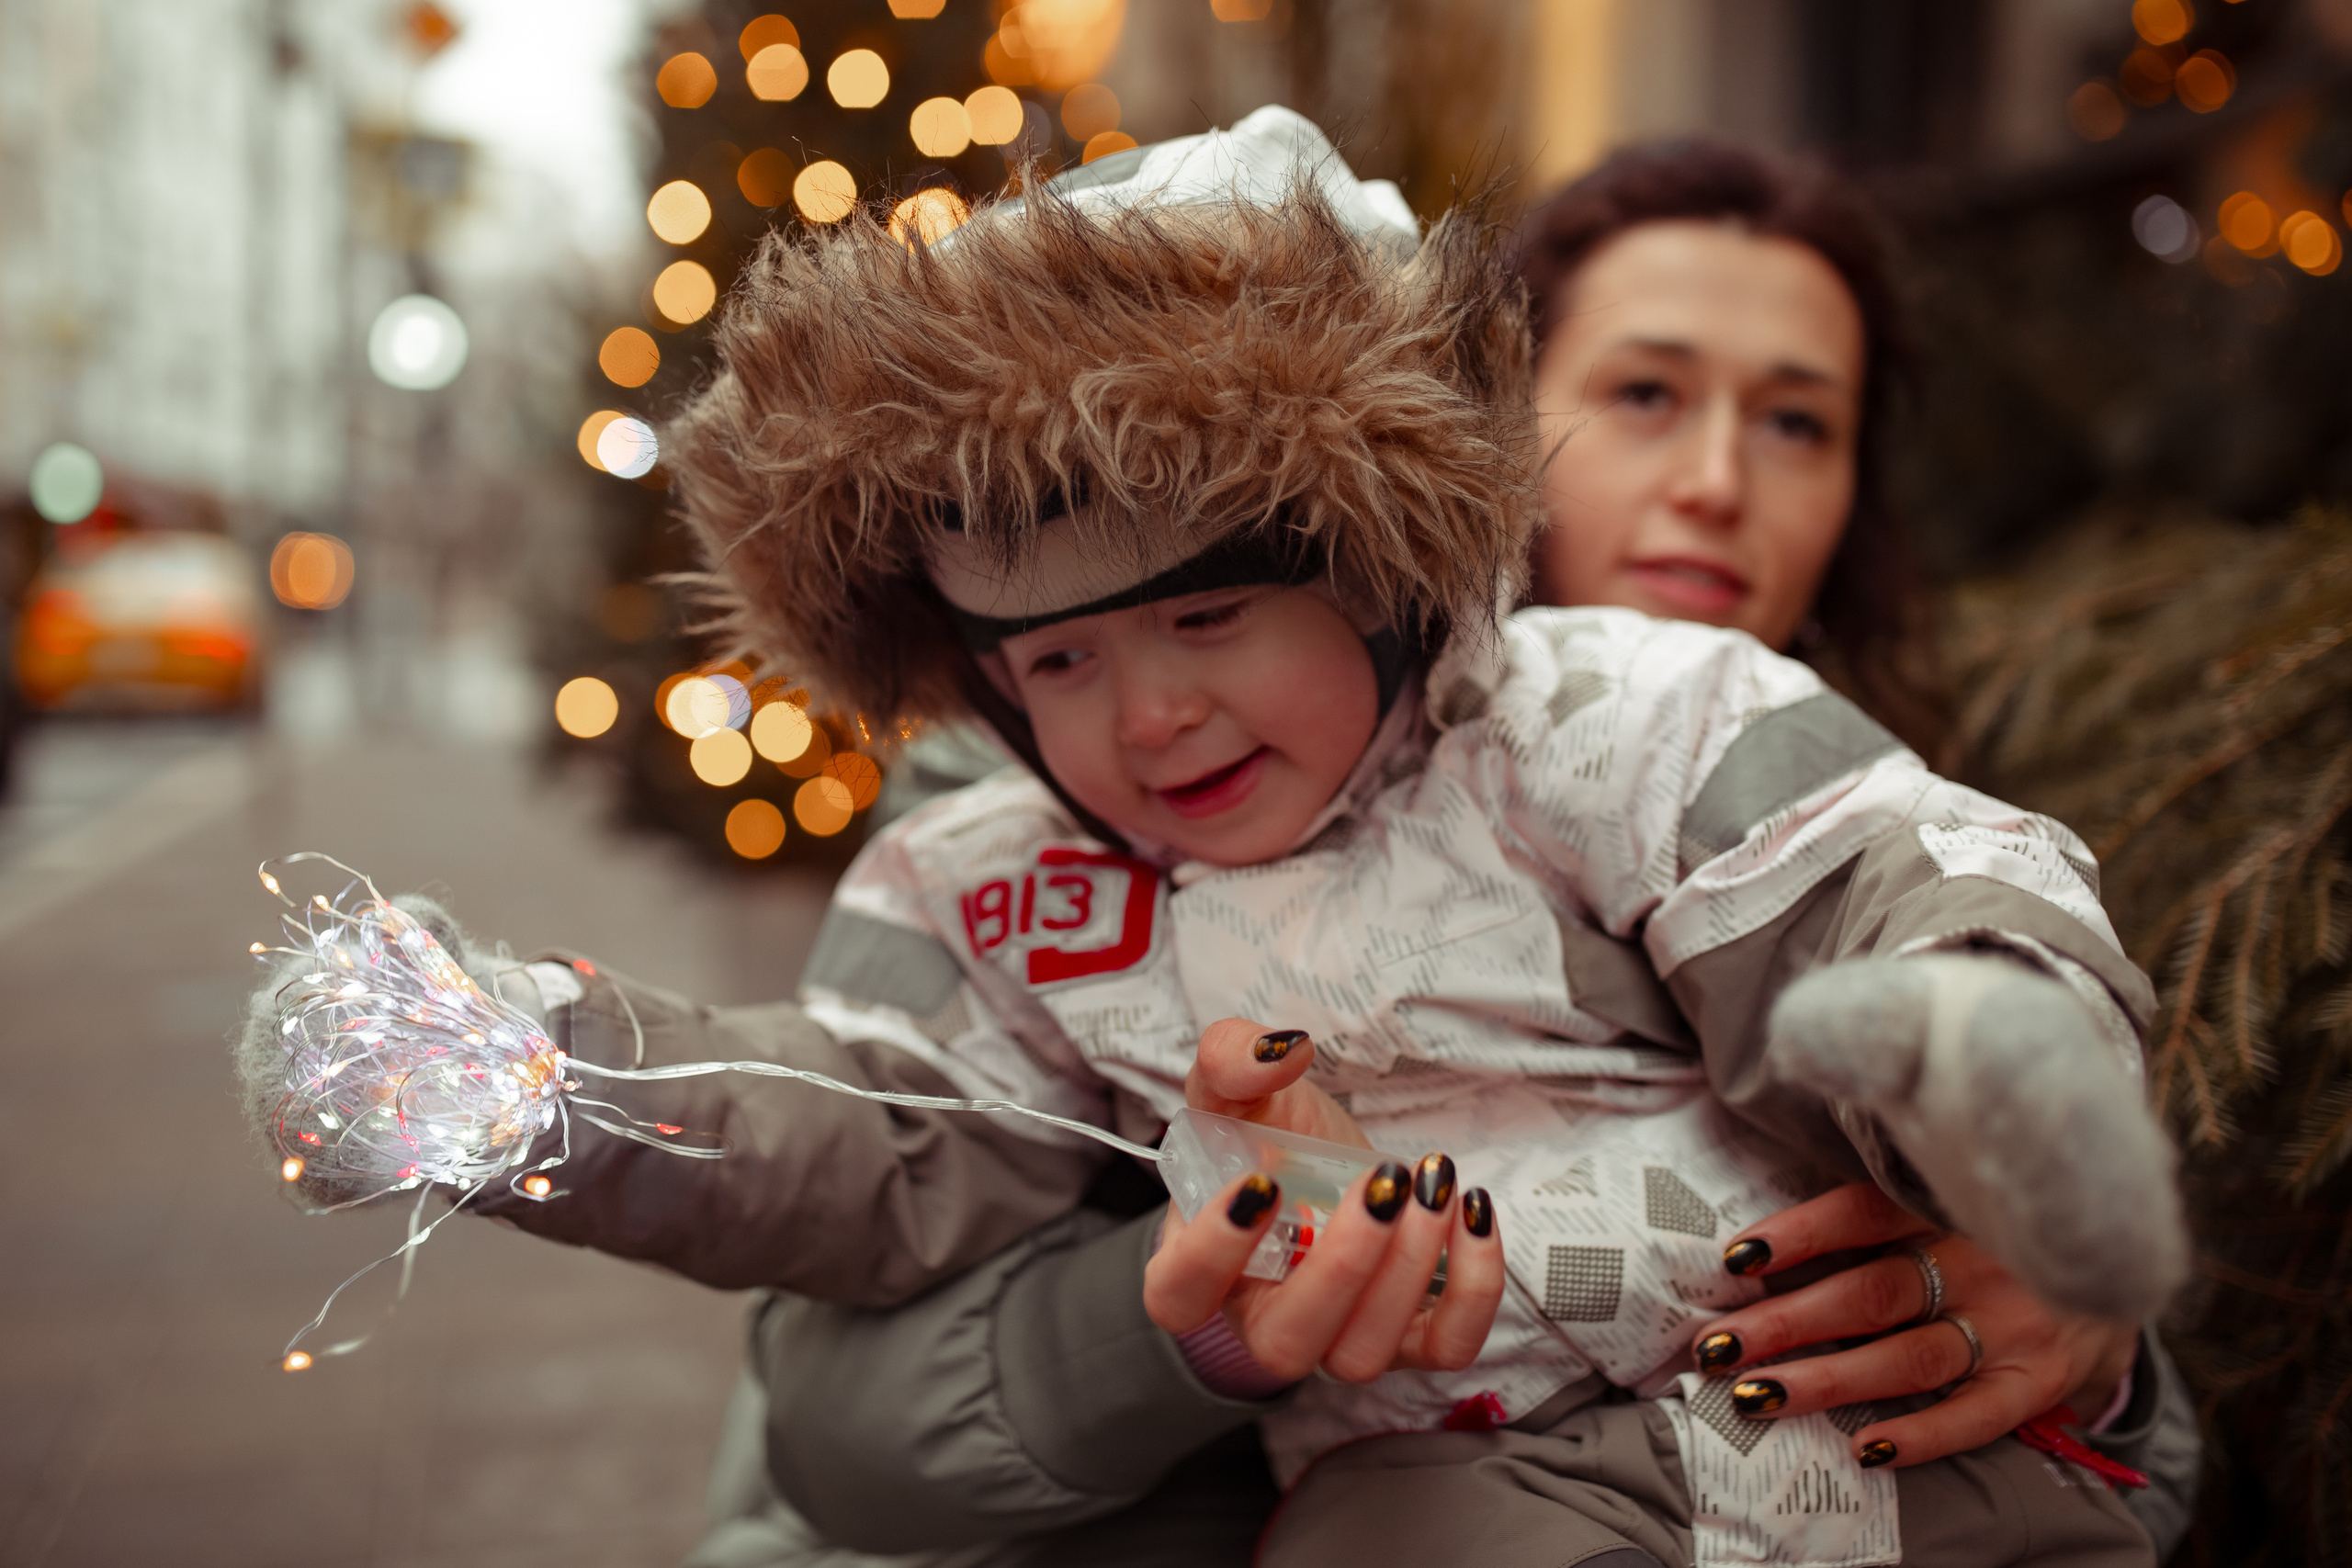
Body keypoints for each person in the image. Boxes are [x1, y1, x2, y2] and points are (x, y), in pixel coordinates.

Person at [239, 115, 2178, 1567]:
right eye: (1643, 392)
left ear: (1387, 535)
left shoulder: (1621, 718)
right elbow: (876, 1125)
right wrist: (555, 1088)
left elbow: (1862, 874)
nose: (1148, 713)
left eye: (1794, 420)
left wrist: (2000, 1133)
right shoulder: (1005, 868)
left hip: (1892, 1453)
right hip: (1458, 1478)